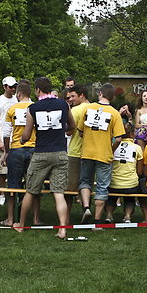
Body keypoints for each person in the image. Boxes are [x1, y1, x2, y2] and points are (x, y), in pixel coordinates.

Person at [15, 77, 75, 238]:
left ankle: (21, 225)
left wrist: (22, 140)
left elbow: (27, 135)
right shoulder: (64, 104)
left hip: (41, 153)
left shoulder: (33, 108)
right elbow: (73, 125)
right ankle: (62, 229)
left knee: (31, 191)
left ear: (38, 90)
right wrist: (62, 130)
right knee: (59, 193)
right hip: (60, 153)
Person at [78, 83, 125, 225]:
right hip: (104, 154)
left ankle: (86, 207)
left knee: (85, 182)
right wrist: (111, 148)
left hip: (87, 152)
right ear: (112, 97)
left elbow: (80, 131)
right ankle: (97, 221)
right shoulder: (115, 113)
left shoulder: (88, 108)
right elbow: (119, 138)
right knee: (102, 187)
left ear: (100, 93)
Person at [5, 82, 38, 226]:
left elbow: (6, 132)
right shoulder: (36, 107)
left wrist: (7, 151)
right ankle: (36, 218)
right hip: (34, 148)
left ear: (18, 94)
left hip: (17, 148)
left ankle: (10, 218)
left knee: (13, 185)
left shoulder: (12, 109)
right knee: (35, 185)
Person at [105, 122, 146, 223]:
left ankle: (109, 215)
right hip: (130, 184)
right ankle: (127, 216)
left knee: (111, 197)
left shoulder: (112, 146)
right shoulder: (137, 148)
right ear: (132, 134)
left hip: (113, 183)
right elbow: (139, 171)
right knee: (129, 198)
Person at [0, 76, 18, 206]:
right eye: (10, 87)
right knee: (1, 168)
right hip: (3, 135)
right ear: (4, 87)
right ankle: (2, 194)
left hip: (15, 137)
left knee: (16, 168)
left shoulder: (17, 99)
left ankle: (14, 193)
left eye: (14, 87)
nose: (13, 89)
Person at [65, 85, 90, 220]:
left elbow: (69, 131)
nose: (71, 99)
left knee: (69, 189)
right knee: (86, 185)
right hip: (90, 153)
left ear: (82, 95)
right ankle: (86, 210)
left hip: (75, 152)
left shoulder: (75, 110)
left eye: (73, 96)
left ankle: (66, 218)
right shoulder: (95, 108)